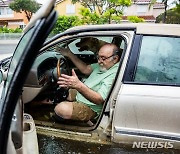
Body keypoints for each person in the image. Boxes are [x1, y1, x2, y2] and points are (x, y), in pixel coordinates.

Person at [54, 43, 121, 122]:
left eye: (103, 58)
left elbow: (99, 99)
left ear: (115, 59)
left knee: (60, 109)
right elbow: (85, 69)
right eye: (98, 57)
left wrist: (78, 85)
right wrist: (69, 54)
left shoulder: (115, 73)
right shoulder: (105, 65)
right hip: (83, 95)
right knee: (60, 91)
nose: (99, 61)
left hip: (91, 107)